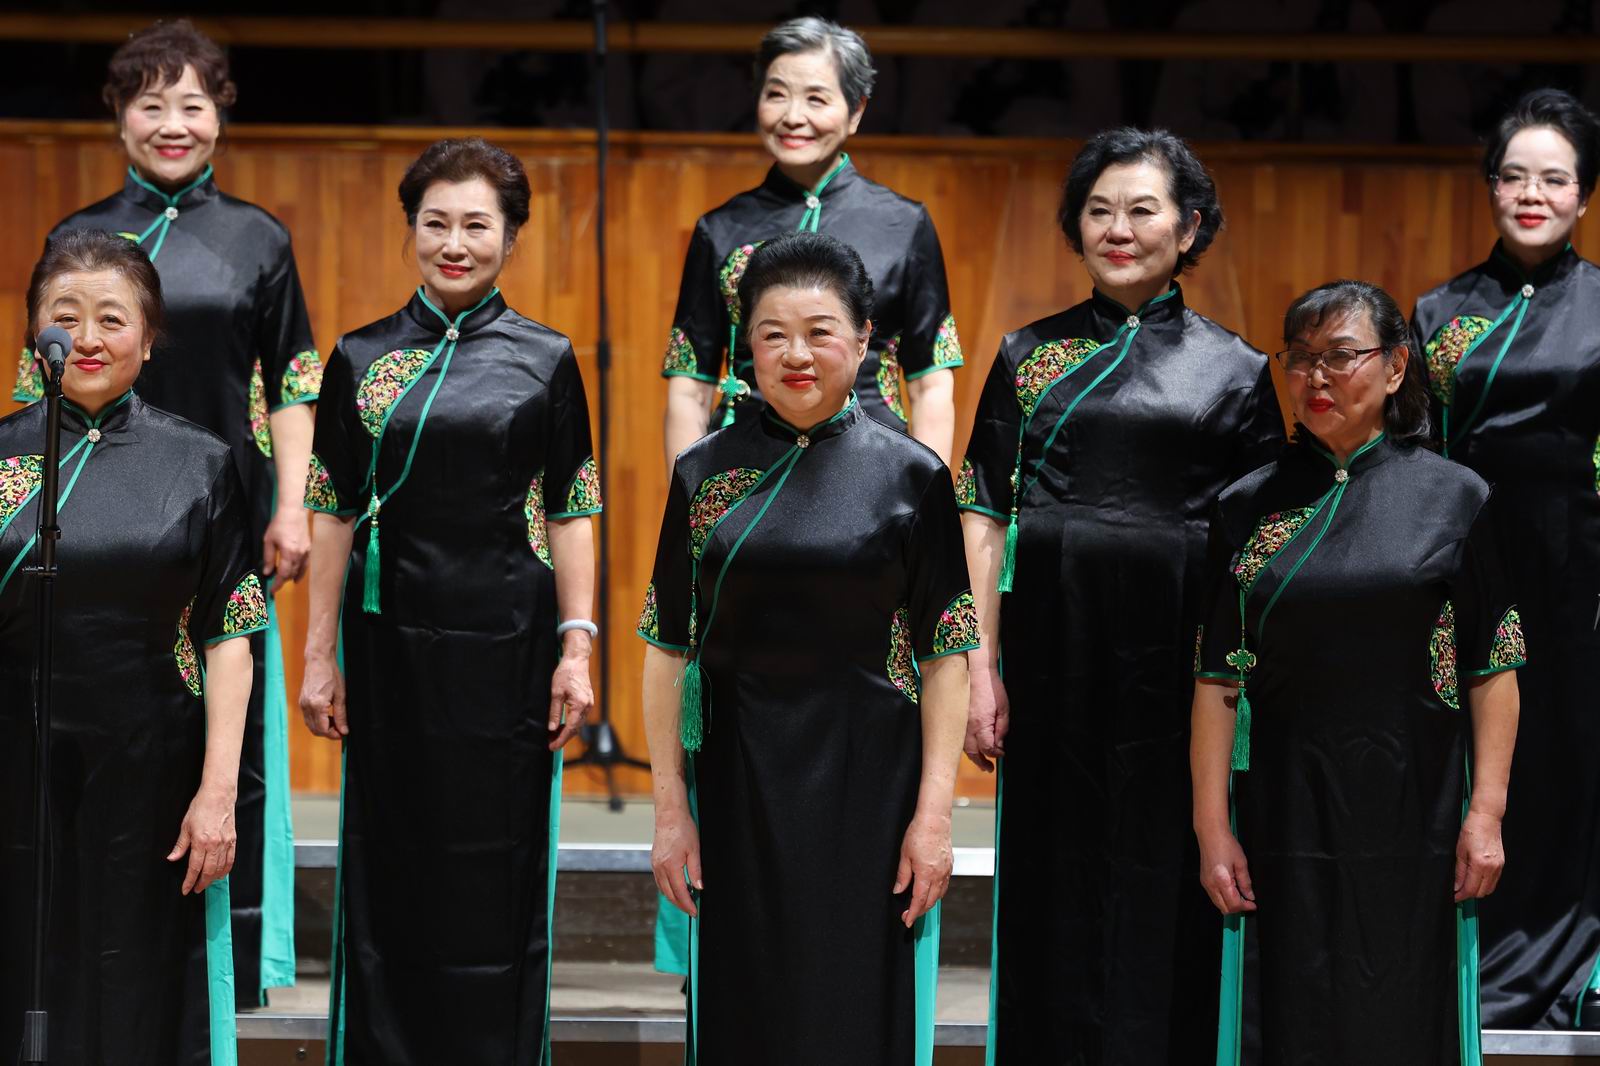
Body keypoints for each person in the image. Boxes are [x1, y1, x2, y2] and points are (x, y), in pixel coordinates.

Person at [958, 127, 1284, 1064]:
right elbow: (982, 516)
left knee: (1168, 868)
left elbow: (1263, 544)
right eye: (1098, 210)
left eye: (1142, 210)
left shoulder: (1239, 369)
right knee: (1053, 870)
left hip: (1180, 662)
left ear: (1190, 227)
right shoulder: (1026, 355)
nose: (1118, 229)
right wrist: (980, 666)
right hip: (1053, 653)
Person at [11, 19, 316, 1002]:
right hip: (88, 527)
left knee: (230, 731)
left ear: (220, 116)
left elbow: (293, 383)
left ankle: (235, 962)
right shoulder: (77, 238)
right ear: (118, 117)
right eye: (151, 104)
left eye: (193, 103)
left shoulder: (260, 237)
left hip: (216, 514)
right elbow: (33, 388)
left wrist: (294, 504)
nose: (172, 122)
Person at [640, 232, 975, 1065]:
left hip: (870, 781)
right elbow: (667, 648)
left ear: (864, 342)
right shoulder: (699, 473)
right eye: (772, 335)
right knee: (745, 1003)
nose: (796, 355)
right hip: (738, 779)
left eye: (820, 332)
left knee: (854, 1001)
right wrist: (671, 811)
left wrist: (934, 817)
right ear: (744, 349)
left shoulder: (914, 476)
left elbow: (946, 656)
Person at [298, 137, 598, 1065]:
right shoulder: (359, 356)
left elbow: (573, 509)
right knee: (393, 859)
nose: (454, 244)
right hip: (389, 644)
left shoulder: (548, 359)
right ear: (411, 230)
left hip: (508, 648)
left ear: (512, 236)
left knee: (495, 865)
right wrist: (318, 655)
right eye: (436, 223)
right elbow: (331, 511)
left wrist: (577, 647)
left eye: (476, 225)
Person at [1193, 280, 1522, 1064]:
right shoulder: (1246, 505)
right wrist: (1212, 828)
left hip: (1416, 806)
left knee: (1403, 1006)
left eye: (1341, 356)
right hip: (1283, 808)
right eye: (1301, 358)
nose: (1317, 377)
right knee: (1289, 1003)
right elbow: (1216, 680)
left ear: (1396, 366)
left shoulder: (1457, 497)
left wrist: (1486, 813)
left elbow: (1494, 666)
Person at [0, 230, 262, 1063]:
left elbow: (229, 636)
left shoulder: (202, 462)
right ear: (34, 334)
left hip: (151, 768)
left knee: (135, 975)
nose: (86, 338)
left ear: (148, 340)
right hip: (15, 763)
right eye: (64, 316)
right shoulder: (2, 453)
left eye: (112, 319)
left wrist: (218, 793)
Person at [1410, 87, 1600, 1030]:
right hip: (1469, 564)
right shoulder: (1439, 310)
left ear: (1583, 196)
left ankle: (1572, 958)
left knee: (1570, 759)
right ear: (1490, 187)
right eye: (1515, 175)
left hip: (1580, 570)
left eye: (1554, 179)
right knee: (1475, 763)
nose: (1532, 194)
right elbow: (1415, 453)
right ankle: (1464, 956)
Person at [660, 16, 963, 471]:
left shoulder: (905, 223)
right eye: (776, 94)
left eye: (816, 98)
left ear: (856, 110)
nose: (792, 116)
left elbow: (930, 384)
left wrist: (924, 493)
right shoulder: (719, 228)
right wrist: (691, 500)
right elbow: (690, 387)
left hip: (875, 465)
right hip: (743, 466)